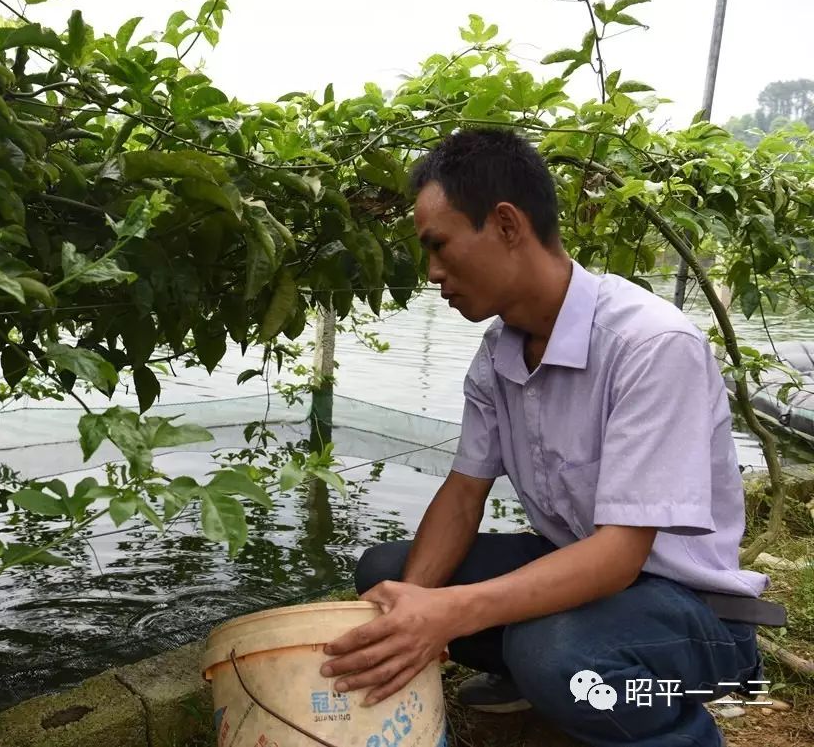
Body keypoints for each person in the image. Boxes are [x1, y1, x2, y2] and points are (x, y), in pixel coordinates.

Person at [318, 128, 773, 746]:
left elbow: (619, 556)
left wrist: (448, 614)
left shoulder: (651, 346)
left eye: (440, 246)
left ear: (506, 224)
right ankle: (548, 676)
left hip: (695, 614)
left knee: (551, 651)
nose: (432, 273)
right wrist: (414, 612)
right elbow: (463, 491)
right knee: (391, 572)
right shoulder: (497, 357)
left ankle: (665, 717)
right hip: (585, 575)